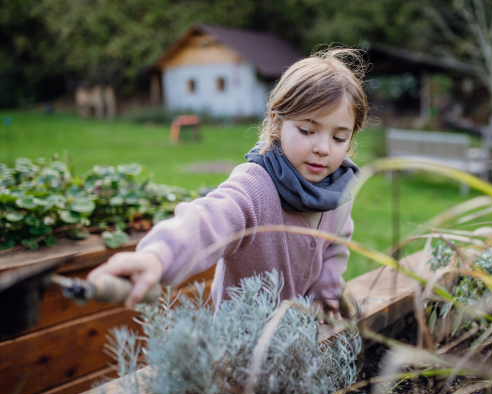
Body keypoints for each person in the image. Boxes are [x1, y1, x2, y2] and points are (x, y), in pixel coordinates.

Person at [88, 48, 368, 321]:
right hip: (242, 347)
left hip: (302, 338)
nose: (322, 148)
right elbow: (208, 220)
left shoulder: (338, 191)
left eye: (339, 138)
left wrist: (327, 295)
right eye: (307, 130)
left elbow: (335, 247)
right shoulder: (255, 186)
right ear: (276, 123)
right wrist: (157, 257)